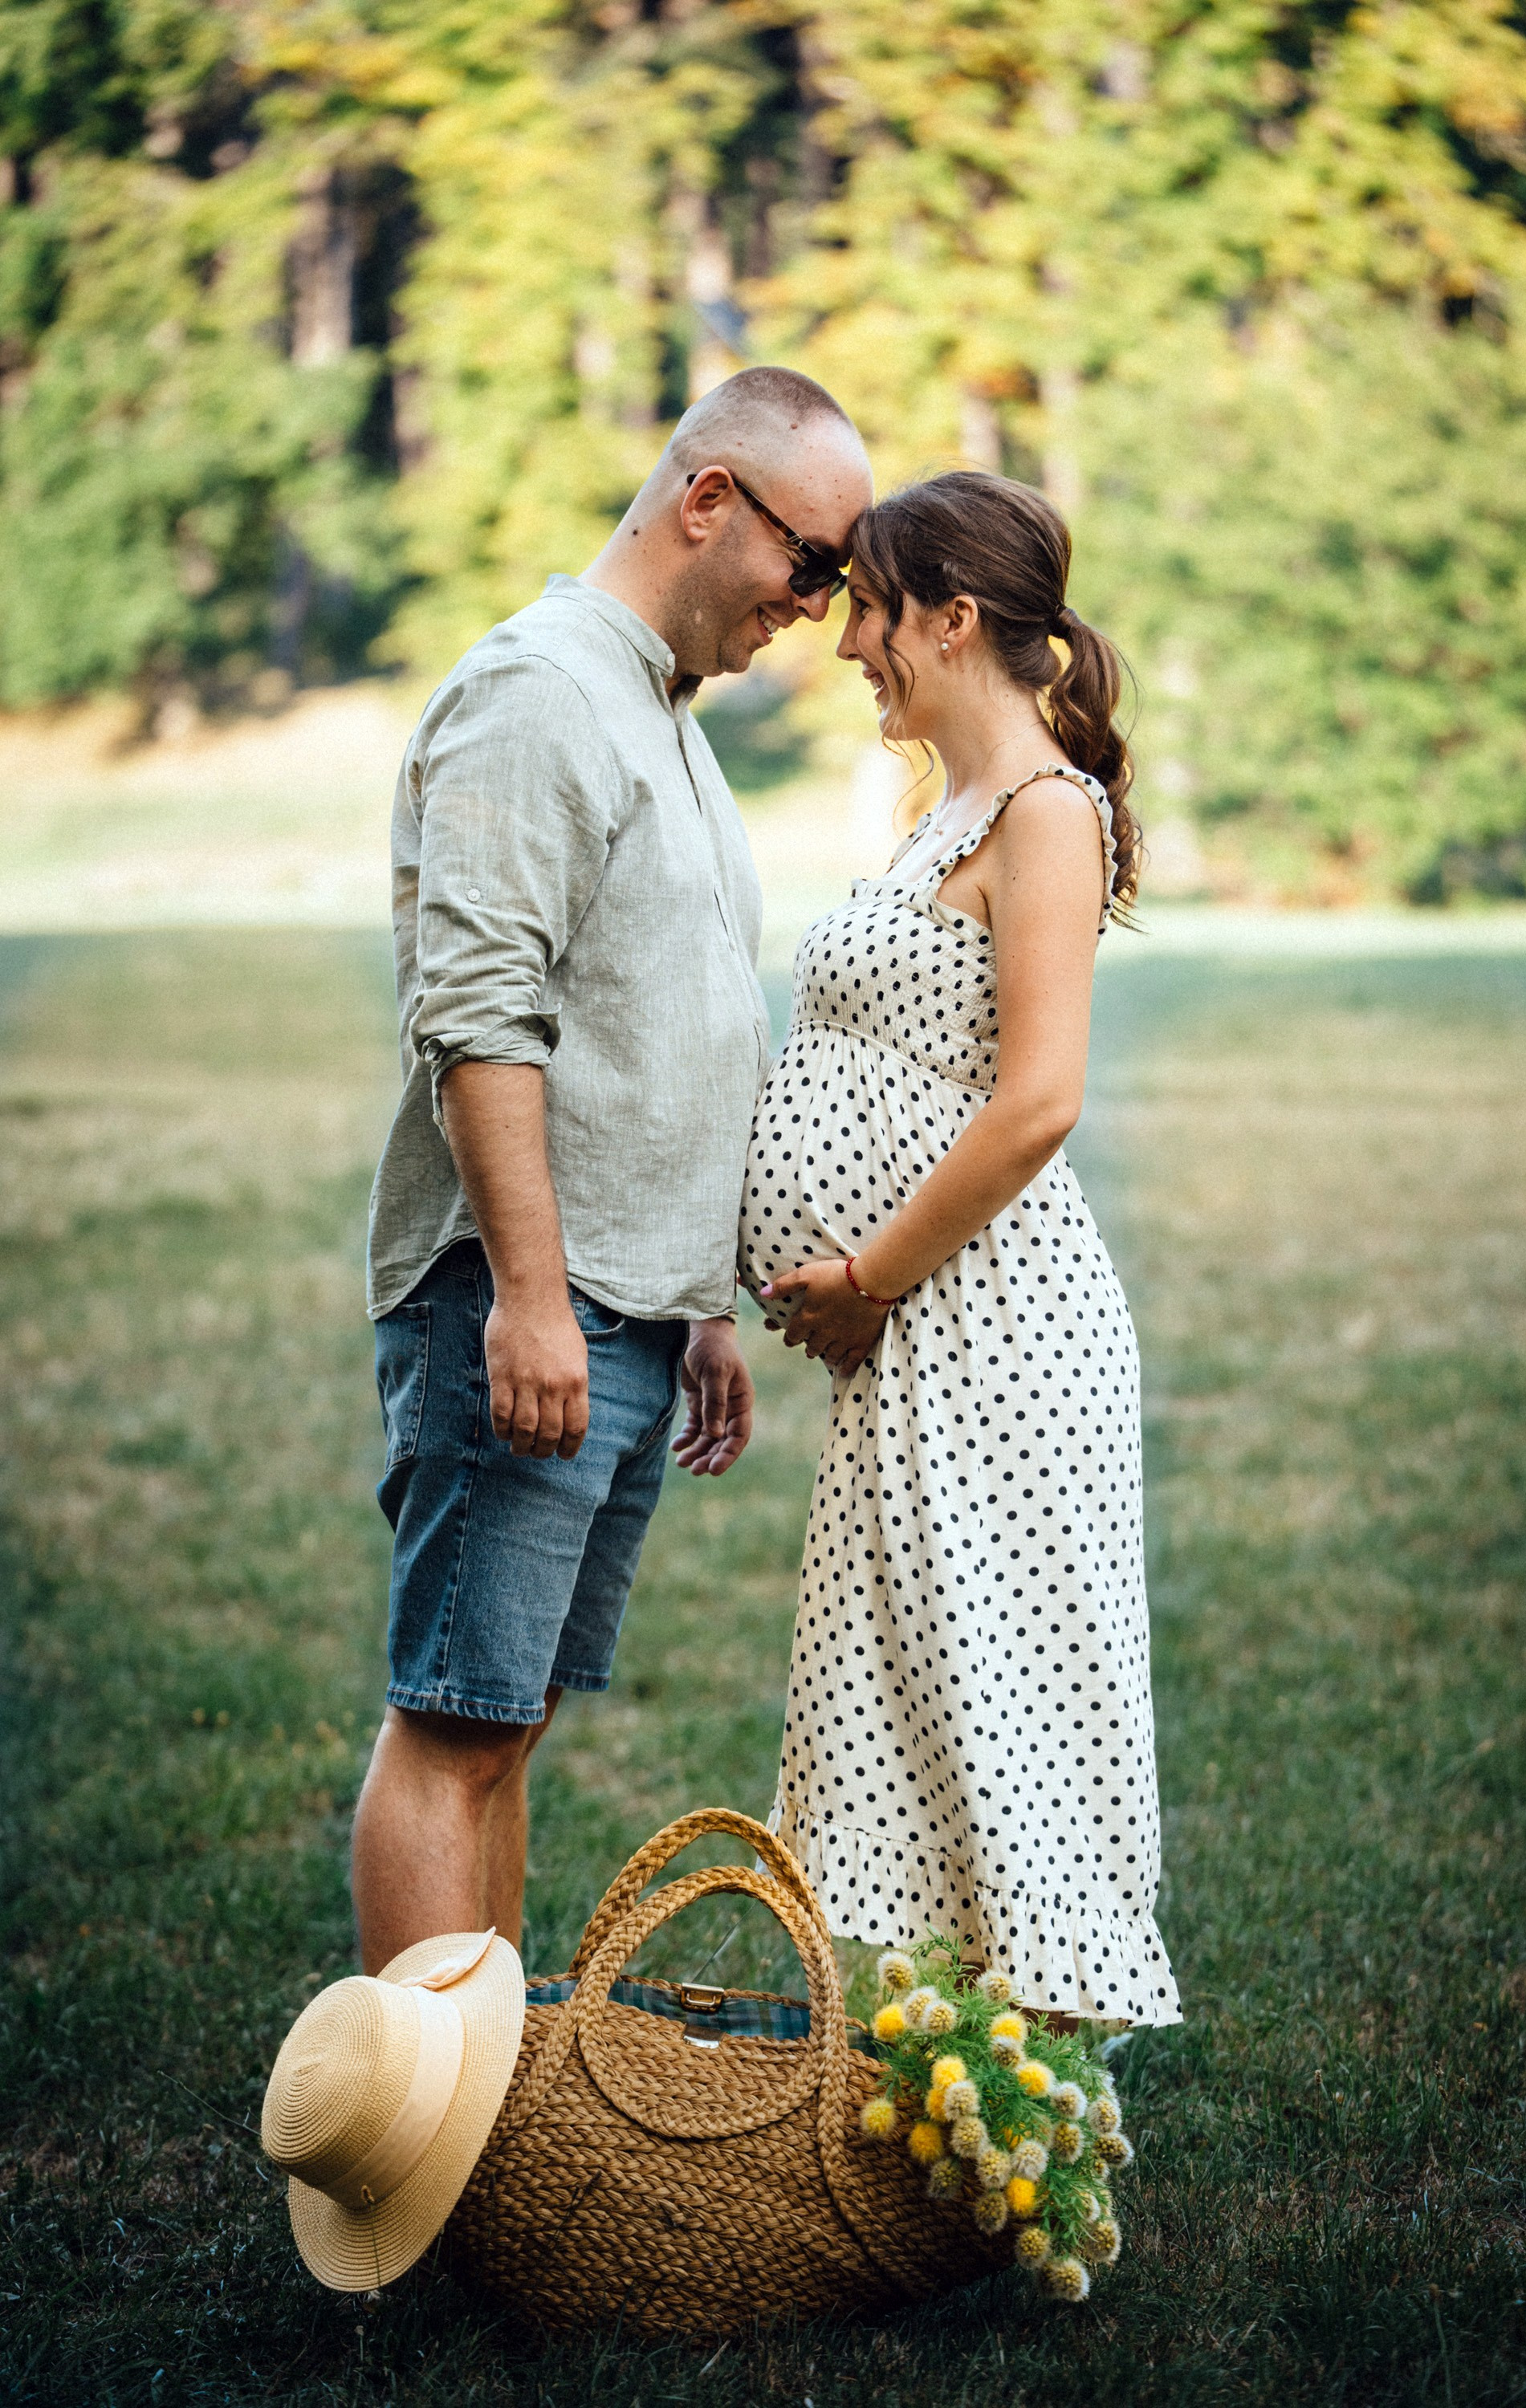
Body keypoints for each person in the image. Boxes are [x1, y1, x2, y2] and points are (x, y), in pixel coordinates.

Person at [352, 367, 875, 1974]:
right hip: (531, 1305)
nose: (820, 605)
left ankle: (483, 2086)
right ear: (708, 499)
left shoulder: (658, 709)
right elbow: (477, 1018)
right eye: (811, 560)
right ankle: (407, 2110)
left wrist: (699, 1303)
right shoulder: (539, 694)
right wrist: (528, 1296)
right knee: (452, 1724)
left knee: (507, 1725)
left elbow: (660, 1030)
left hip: (627, 1314)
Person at [739, 470, 1181, 2028]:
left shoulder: (1047, 816)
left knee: (1007, 1697)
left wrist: (869, 1278)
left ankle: (1032, 2089)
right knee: (922, 1692)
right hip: (928, 1331)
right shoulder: (950, 812)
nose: (847, 639)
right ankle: (947, 2060)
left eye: (869, 607)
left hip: (994, 1329)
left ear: (952, 618)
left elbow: (1039, 1101)